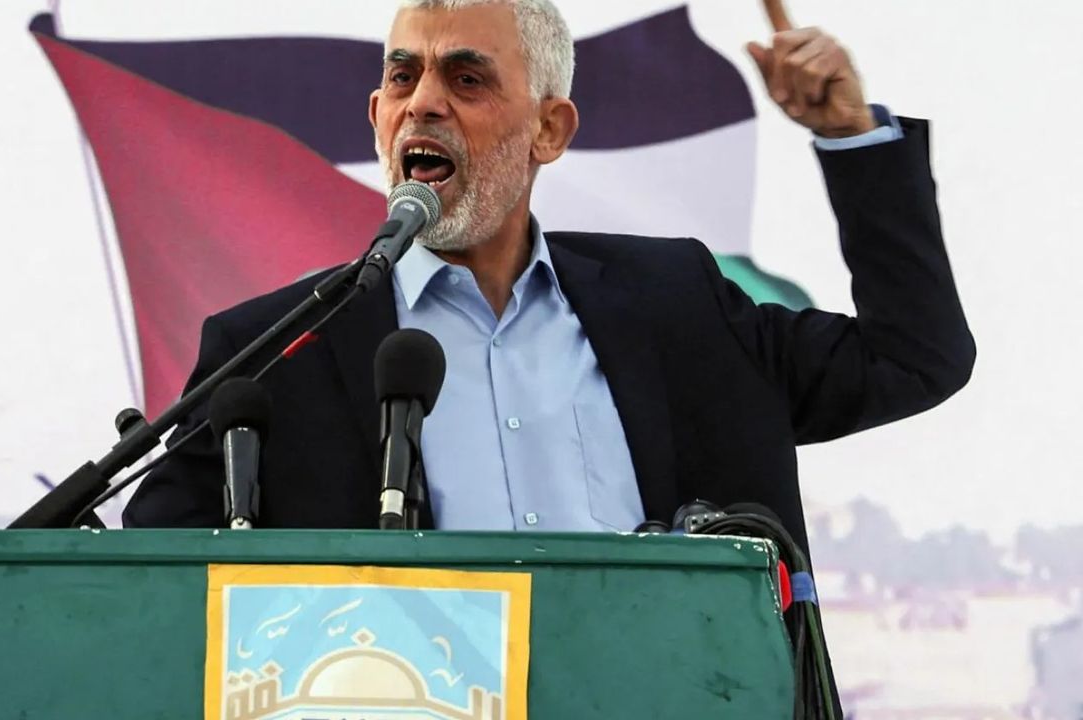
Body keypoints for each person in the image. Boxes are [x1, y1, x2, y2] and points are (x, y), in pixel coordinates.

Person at [123, 0, 974, 557]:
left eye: (466, 78)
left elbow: (913, 358)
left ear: (550, 130)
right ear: (379, 118)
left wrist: (851, 138)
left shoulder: (676, 301)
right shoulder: (274, 354)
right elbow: (147, 584)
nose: (424, 102)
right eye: (402, 77)